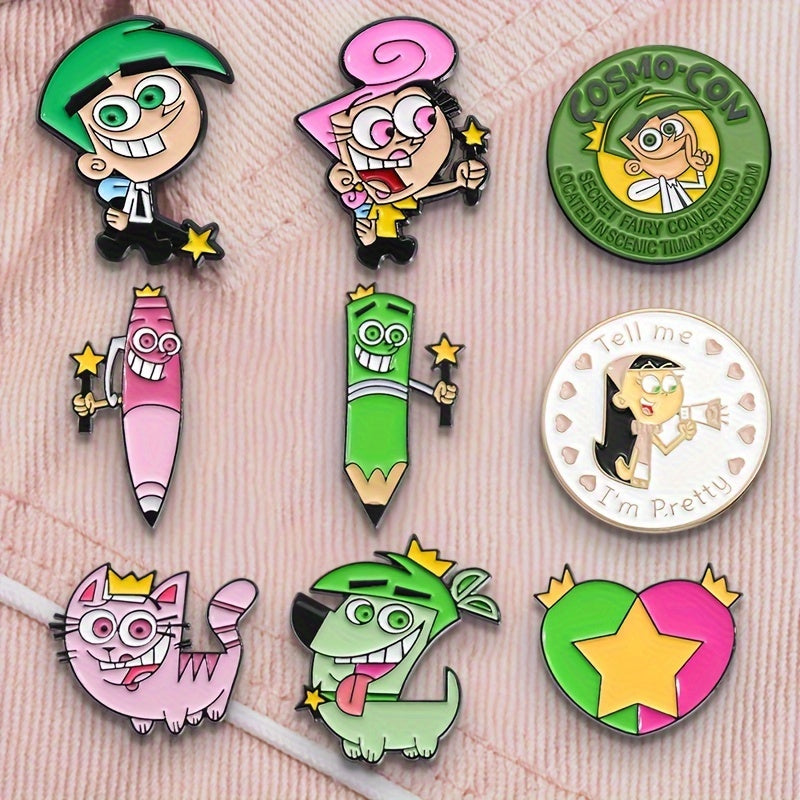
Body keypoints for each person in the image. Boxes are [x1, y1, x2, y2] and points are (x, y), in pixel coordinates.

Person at [38, 17, 233, 265]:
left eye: (153, 95)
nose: (147, 120)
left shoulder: (131, 189)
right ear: (95, 163)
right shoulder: (121, 191)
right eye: (113, 116)